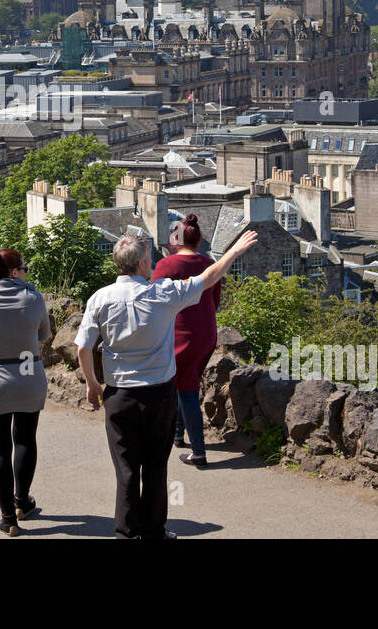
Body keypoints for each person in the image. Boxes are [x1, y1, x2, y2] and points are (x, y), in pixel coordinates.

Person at [76, 228, 259, 539]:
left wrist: (93, 385)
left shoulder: (100, 298)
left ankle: (126, 532)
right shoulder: (162, 294)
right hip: (159, 394)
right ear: (143, 264)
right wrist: (234, 252)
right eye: (149, 258)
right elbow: (209, 277)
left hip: (119, 394)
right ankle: (154, 530)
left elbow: (83, 347)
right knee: (155, 467)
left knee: (126, 470)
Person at [0, 248, 52, 537]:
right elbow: (44, 334)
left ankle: (7, 519)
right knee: (26, 438)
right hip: (29, 375)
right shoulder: (32, 297)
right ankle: (21, 502)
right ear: (15, 272)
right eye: (24, 268)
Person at [154, 214, 221, 468]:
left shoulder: (166, 266)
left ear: (175, 239)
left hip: (180, 335)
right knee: (186, 383)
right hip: (206, 335)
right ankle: (178, 433)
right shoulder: (209, 263)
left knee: (187, 390)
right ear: (199, 240)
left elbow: (155, 303)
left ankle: (199, 452)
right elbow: (215, 302)